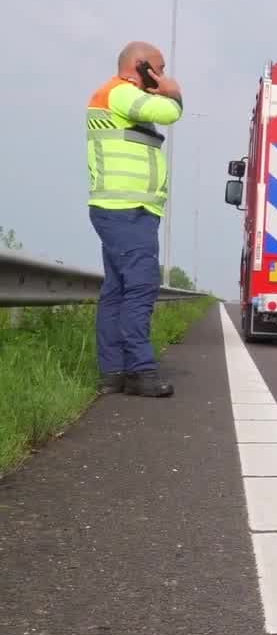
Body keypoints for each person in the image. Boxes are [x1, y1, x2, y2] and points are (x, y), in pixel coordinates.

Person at [86, 41, 185, 398]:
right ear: (141, 67)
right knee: (141, 288)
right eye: (157, 69)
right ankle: (140, 372)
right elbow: (171, 113)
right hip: (127, 211)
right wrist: (174, 92)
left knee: (116, 292)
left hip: (119, 210)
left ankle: (112, 374)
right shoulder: (120, 94)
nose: (160, 76)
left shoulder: (113, 97)